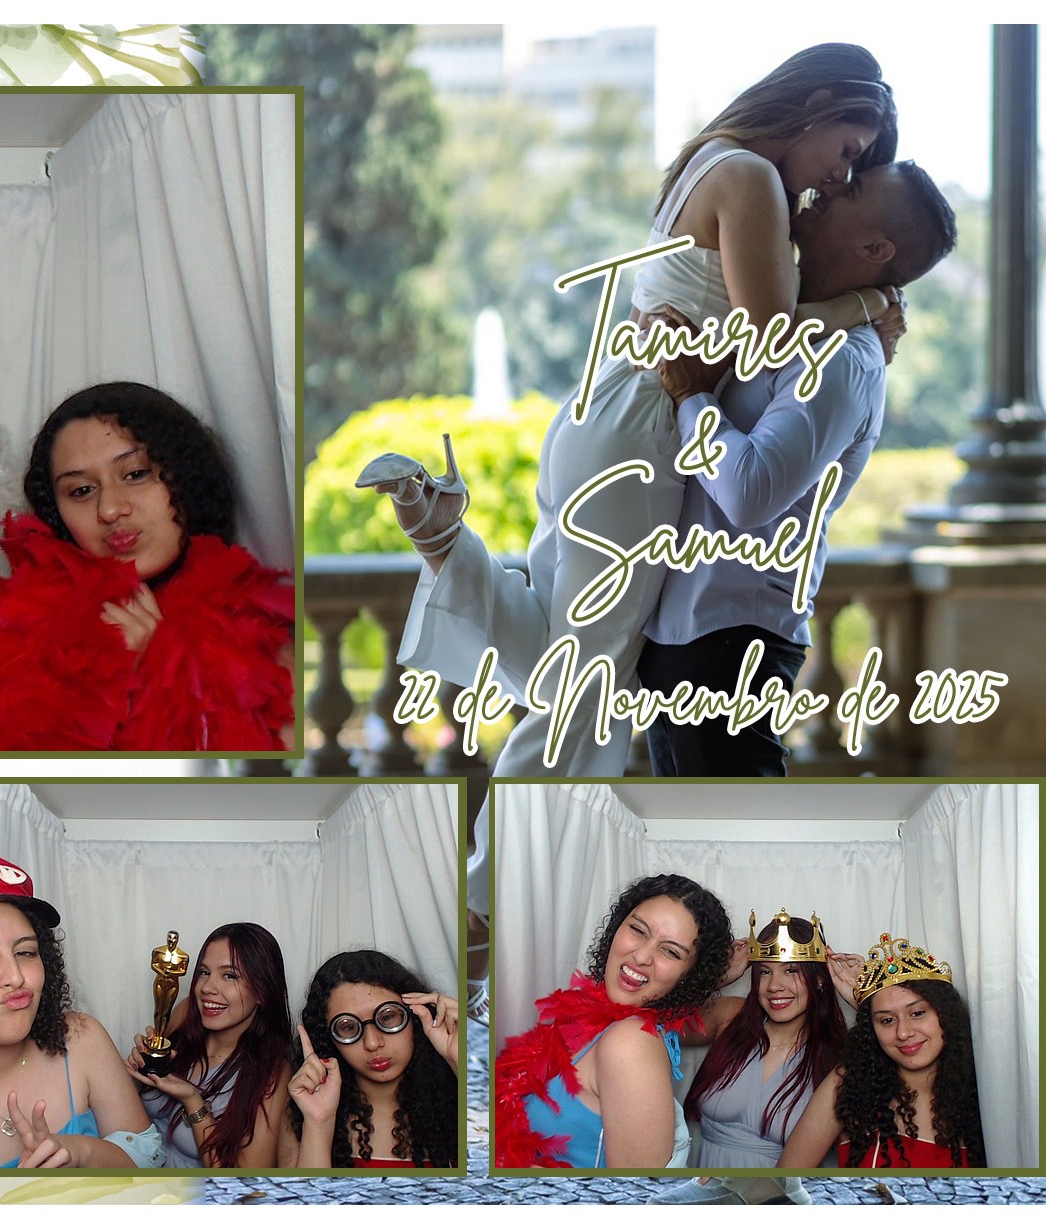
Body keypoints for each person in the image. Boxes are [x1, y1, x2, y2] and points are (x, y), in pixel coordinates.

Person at [372, 44, 902, 778]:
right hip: (645, 434)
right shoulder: (752, 178)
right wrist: (867, 302)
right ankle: (510, 856)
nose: (840, 176)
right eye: (847, 151)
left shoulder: (710, 161)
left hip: (603, 414)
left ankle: (445, 540)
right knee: (584, 690)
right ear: (817, 106)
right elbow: (769, 337)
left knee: (566, 659)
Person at [639, 160, 959, 775]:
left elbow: (749, 492)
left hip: (733, 638)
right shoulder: (783, 324)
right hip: (689, 632)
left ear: (875, 249)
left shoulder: (842, 359)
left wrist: (691, 396)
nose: (828, 188)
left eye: (852, 189)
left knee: (736, 836)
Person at [0, 382, 293, 750]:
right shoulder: (12, 645)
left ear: (187, 475)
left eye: (136, 474)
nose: (109, 509)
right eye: (81, 490)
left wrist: (157, 672)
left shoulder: (272, 653)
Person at [0, 856, 164, 1169]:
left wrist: (81, 1152)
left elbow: (150, 1160)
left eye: (26, 952)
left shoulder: (80, 1039)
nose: (16, 976)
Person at [492, 874, 733, 1168]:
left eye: (670, 951)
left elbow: (636, 1190)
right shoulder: (589, 1017)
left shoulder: (631, 1042)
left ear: (689, 975)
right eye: (638, 930)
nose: (642, 956)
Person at [656, 910, 855, 1203]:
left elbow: (904, 1067)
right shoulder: (732, 1017)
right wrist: (716, 978)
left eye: (791, 971)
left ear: (820, 980)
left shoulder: (840, 1055)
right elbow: (648, 1023)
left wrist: (865, 1000)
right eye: (765, 971)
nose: (774, 986)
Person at [778, 934, 985, 1169]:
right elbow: (786, 1177)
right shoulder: (849, 1085)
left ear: (946, 1015)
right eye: (887, 1020)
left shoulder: (982, 1092)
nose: (903, 1033)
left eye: (917, 1013)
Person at [124, 923, 293, 1168]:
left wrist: (193, 1101)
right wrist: (142, 1064)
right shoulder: (185, 1014)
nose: (206, 988)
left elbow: (241, 1183)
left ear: (262, 992)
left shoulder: (273, 1073)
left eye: (229, 975)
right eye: (204, 972)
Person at [283, 950, 460, 1169]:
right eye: (348, 1027)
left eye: (387, 1017)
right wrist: (319, 1123)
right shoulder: (300, 1115)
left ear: (415, 1015)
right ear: (328, 1039)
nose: (372, 1043)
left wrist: (458, 1060)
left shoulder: (457, 1100)